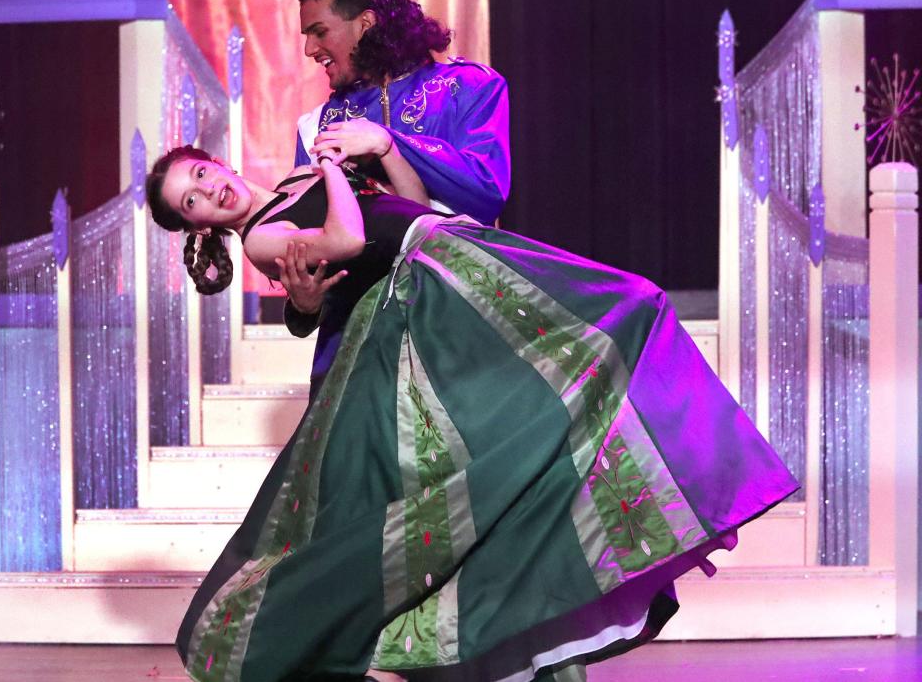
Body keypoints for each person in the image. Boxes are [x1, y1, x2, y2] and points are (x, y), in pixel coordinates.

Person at [147, 145, 798, 682]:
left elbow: (417, 206)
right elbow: (344, 238)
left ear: (217, 162)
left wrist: (382, 150)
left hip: (451, 249)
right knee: (579, 363)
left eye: (200, 175)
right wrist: (330, 170)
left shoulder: (292, 185)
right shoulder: (264, 234)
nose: (208, 191)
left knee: (619, 320)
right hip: (428, 290)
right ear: (199, 225)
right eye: (191, 201)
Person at [283, 0, 510, 399]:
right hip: (355, 347)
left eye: (319, 32)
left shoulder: (469, 87)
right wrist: (303, 304)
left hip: (455, 321)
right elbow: (309, 242)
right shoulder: (317, 126)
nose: (310, 49)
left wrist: (391, 143)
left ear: (365, 24)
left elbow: (486, 192)